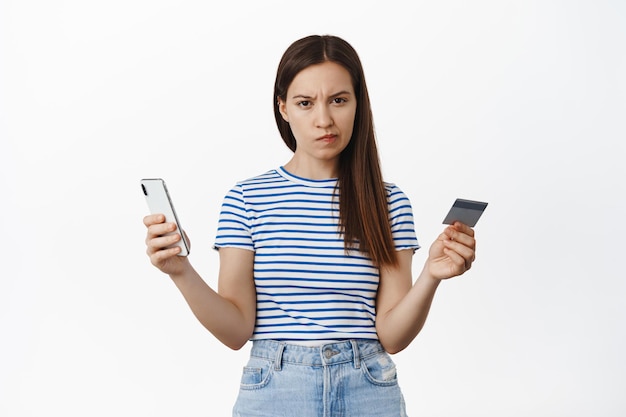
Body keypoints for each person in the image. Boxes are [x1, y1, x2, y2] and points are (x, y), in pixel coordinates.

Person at [143, 34, 477, 417]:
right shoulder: (246, 199)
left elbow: (393, 335)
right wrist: (179, 270)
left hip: (368, 390)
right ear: (283, 108)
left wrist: (431, 277)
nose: (324, 120)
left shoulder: (387, 202)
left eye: (339, 100)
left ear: (357, 104)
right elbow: (235, 330)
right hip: (274, 390)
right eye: (305, 103)